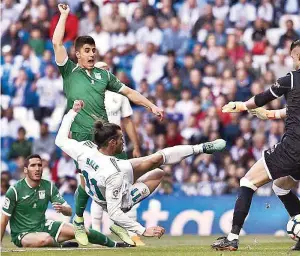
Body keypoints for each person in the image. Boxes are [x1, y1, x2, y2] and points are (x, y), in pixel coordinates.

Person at [52, 4, 164, 246]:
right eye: (87, 50)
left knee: (124, 178)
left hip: (108, 135)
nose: (92, 54)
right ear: (78, 54)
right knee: (86, 179)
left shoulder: (104, 76)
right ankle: (80, 220)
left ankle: (117, 221)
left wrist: (150, 106)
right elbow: (57, 43)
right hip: (82, 136)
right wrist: (63, 16)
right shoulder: (69, 71)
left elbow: (129, 92)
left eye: (94, 50)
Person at [211, 39, 300, 251]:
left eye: (292, 57)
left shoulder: (292, 78)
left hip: (292, 148)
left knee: (247, 181)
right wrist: (272, 114)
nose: (292, 61)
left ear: (297, 56)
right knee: (281, 187)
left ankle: (232, 238)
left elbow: (262, 97)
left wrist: (241, 106)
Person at [55, 100, 226, 245]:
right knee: (157, 173)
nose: (124, 142)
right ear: (112, 143)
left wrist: (72, 112)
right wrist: (143, 230)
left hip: (102, 181)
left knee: (155, 161)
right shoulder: (113, 172)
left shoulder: (84, 149)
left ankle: (202, 147)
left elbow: (60, 139)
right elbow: (115, 212)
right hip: (112, 198)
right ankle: (119, 225)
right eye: (121, 138)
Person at [0, 154, 130, 248]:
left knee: (82, 231)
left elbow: (68, 211)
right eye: (33, 165)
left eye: (40, 165)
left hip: (43, 226)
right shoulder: (15, 190)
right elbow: (4, 219)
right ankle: (60, 245)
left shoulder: (48, 186)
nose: (38, 168)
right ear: (25, 170)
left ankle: (115, 245)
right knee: (45, 240)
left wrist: (63, 209)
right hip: (23, 234)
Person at [93, 61, 144, 246]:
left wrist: (136, 146)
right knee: (97, 192)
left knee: (127, 189)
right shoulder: (90, 95)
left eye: (108, 70)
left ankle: (133, 235)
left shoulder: (120, 95)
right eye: (102, 70)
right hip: (98, 150)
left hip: (119, 149)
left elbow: (128, 122)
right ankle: (96, 235)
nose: (106, 72)